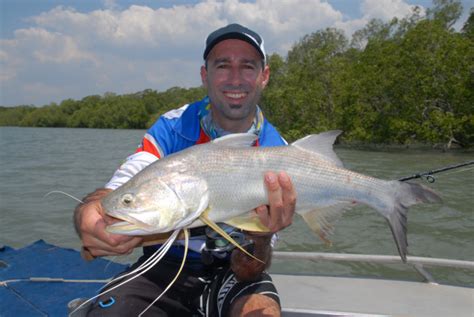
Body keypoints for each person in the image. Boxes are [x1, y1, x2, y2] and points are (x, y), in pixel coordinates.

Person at [74, 23, 297, 317]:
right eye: (222, 65)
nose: (234, 78)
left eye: (247, 66)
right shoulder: (172, 127)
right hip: (163, 264)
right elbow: (122, 185)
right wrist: (88, 216)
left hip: (234, 273)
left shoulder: (281, 153)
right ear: (205, 75)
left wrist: (262, 237)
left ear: (264, 76)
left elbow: (249, 269)